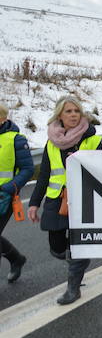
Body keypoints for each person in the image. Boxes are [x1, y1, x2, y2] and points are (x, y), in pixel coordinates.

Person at [28, 96, 102, 304]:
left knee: (78, 245)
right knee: (57, 247)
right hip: (55, 199)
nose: (73, 115)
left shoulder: (92, 140)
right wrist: (34, 203)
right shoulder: (51, 143)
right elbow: (44, 175)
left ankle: (73, 286)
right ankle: (78, 258)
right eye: (68, 111)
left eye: (76, 111)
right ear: (59, 115)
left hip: (83, 199)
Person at [0, 104, 32, 282]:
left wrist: (10, 187)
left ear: (3, 118)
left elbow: (27, 169)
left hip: (3, 196)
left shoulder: (16, 139)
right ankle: (16, 259)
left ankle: (16, 259)